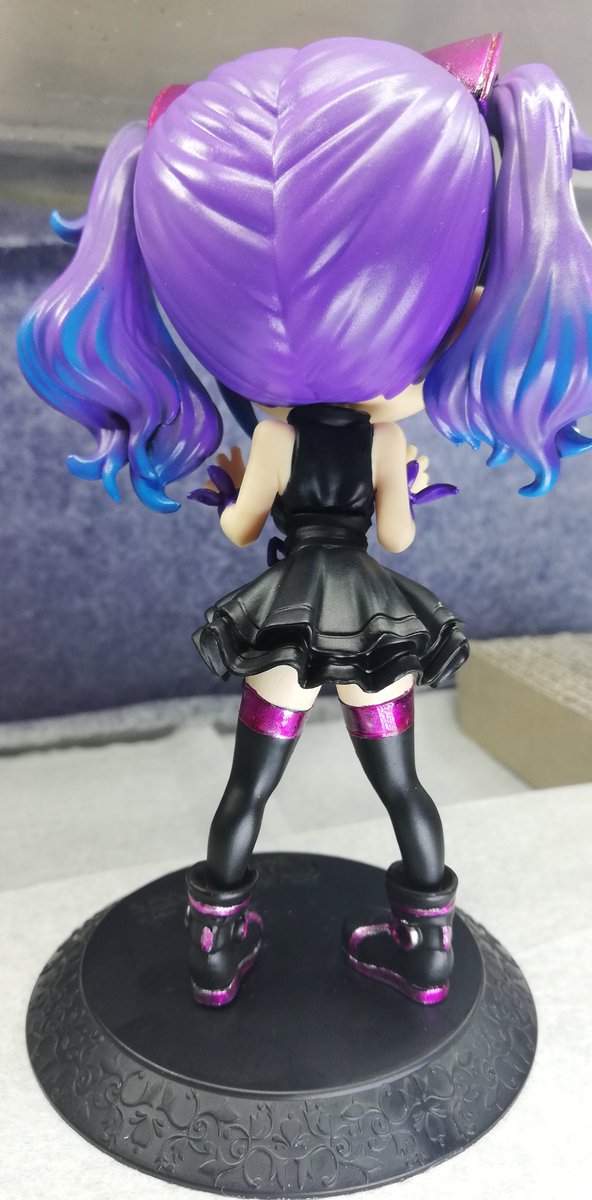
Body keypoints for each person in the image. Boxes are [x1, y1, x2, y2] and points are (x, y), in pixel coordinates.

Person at [18, 34, 592, 1007]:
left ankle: (213, 945)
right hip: (377, 627)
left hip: (286, 624)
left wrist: (239, 484)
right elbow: (398, 539)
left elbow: (241, 529)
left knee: (249, 784)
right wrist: (404, 482)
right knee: (401, 786)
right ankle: (428, 948)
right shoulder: (382, 441)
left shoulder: (277, 434)